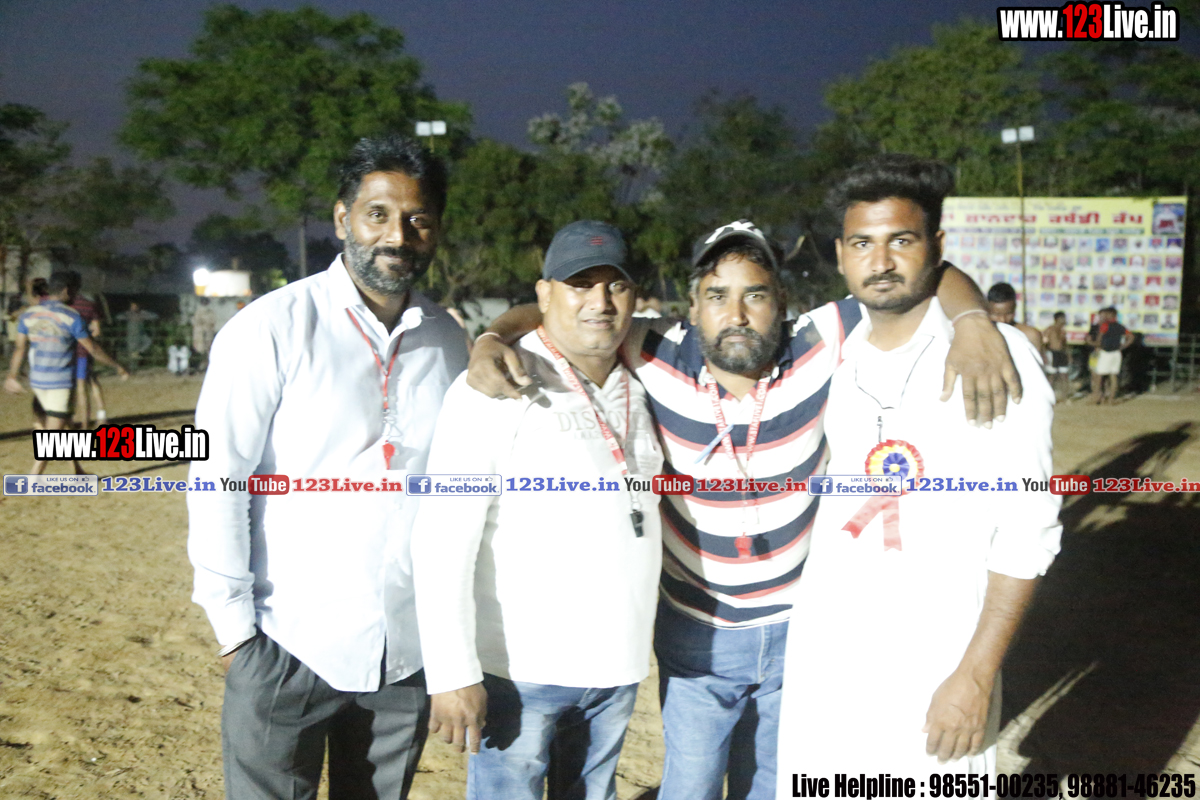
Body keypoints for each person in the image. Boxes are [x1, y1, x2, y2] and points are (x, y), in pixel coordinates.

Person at [467, 218, 1021, 799]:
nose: (736, 314)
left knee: (773, 785)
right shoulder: (653, 348)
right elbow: (557, 308)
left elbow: (924, 275)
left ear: (781, 302)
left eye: (755, 295)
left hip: (798, 628)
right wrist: (492, 337)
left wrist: (972, 318)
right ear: (692, 308)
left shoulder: (818, 341)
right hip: (695, 632)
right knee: (692, 788)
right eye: (717, 296)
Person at [186, 135, 469, 800]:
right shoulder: (271, 328)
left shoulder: (447, 341)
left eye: (418, 219)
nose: (397, 236)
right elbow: (217, 478)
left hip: (404, 658)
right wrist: (238, 636)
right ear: (342, 219)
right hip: (288, 644)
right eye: (378, 215)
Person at [774, 154, 1061, 788]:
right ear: (841, 255)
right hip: (828, 653)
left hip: (938, 656)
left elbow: (1028, 531)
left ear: (937, 246)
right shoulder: (829, 348)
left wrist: (976, 675)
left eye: (902, 241)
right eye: (862, 244)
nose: (881, 262)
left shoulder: (997, 356)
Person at [412, 220, 663, 800]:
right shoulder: (497, 385)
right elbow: (442, 538)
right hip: (521, 672)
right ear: (545, 293)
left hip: (617, 670)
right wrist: (452, 673)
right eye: (579, 285)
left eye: (616, 286)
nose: (600, 302)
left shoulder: (642, 376)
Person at [4, 271, 129, 474]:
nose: (76, 295)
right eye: (75, 290)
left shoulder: (29, 315)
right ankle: (32, 479)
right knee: (53, 438)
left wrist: (11, 376)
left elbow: (20, 348)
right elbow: (92, 348)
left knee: (66, 426)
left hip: (38, 382)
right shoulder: (71, 316)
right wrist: (117, 365)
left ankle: (77, 470)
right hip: (59, 384)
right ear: (66, 290)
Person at [64, 271, 108, 427]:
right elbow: (97, 331)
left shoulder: (64, 306)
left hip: (66, 352)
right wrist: (85, 335)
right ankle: (100, 416)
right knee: (90, 381)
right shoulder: (89, 304)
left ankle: (72, 420)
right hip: (85, 351)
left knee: (72, 387)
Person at [1086, 306, 1132, 404]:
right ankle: (1111, 399)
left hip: (1105, 353)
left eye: (1107, 314)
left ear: (1111, 314)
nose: (1105, 316)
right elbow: (1131, 337)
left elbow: (1099, 341)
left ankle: (1098, 397)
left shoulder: (1105, 326)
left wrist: (1090, 342)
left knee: (1099, 376)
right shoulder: (1120, 326)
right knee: (1113, 376)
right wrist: (1123, 346)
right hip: (1116, 353)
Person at [986, 282, 1044, 352]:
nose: (1003, 320)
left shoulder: (1030, 335)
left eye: (1009, 313)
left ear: (1015, 307)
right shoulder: (982, 336)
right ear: (987, 310)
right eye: (996, 314)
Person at [118, 301, 158, 370]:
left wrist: (146, 314)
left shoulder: (142, 313)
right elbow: (118, 317)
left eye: (135, 306)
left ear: (138, 307)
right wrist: (125, 316)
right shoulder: (128, 314)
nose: (134, 308)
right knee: (132, 352)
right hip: (131, 335)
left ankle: (138, 352)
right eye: (132, 306)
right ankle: (132, 369)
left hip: (141, 334)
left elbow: (155, 316)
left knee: (148, 341)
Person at [1042, 311, 1070, 401]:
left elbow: (1065, 345)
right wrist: (1044, 355)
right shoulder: (1050, 329)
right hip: (1052, 353)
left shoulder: (1063, 331)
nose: (1064, 320)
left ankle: (1064, 396)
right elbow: (1044, 343)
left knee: (1064, 375)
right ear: (1057, 319)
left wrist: (1068, 355)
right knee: (1052, 375)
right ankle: (1048, 396)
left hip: (1062, 354)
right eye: (1063, 318)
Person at [191, 297, 217, 372]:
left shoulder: (211, 312)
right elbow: (196, 322)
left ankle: (206, 365)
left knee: (208, 349)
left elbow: (212, 322)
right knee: (200, 350)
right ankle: (200, 366)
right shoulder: (198, 311)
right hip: (200, 334)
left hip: (208, 334)